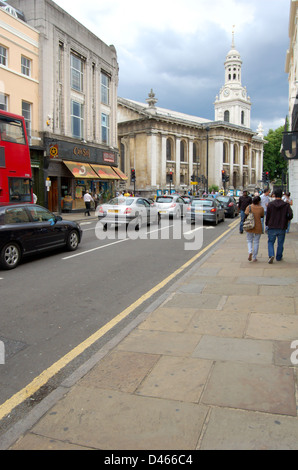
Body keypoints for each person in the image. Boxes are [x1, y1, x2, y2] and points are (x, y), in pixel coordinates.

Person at [266, 188, 293, 264]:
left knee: (271, 242)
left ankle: (271, 255)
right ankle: (278, 257)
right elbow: (290, 215)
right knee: (280, 243)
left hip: (272, 226)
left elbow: (267, 216)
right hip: (282, 226)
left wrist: (267, 224)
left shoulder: (270, 204)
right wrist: (287, 220)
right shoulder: (286, 205)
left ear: (274, 195)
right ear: (282, 195)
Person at [244, 196, 264, 262]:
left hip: (249, 226)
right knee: (256, 242)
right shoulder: (261, 208)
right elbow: (262, 216)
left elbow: (245, 215)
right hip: (258, 226)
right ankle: (254, 257)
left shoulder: (249, 207)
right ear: (259, 202)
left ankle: (250, 251)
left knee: (249, 240)